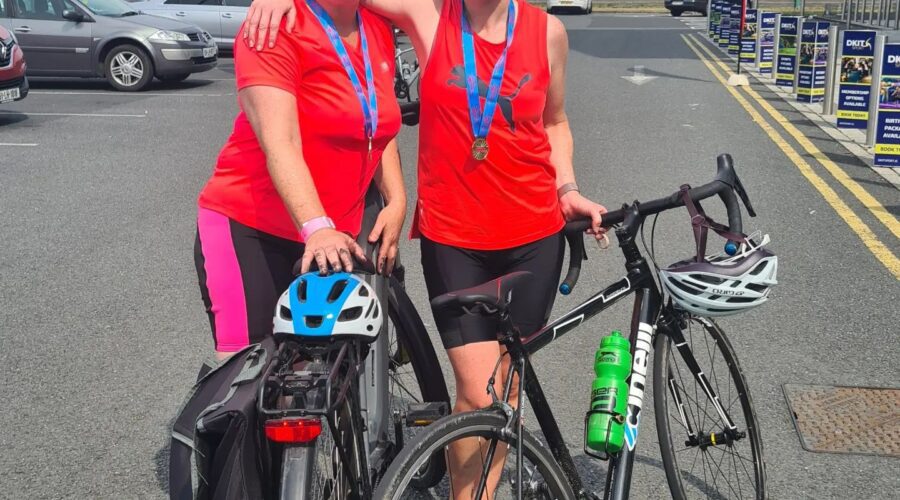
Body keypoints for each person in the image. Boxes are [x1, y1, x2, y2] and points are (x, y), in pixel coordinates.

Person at [245, 0, 607, 496]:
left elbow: (555, 122)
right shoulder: (429, 13)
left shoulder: (548, 32)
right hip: (455, 239)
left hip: (535, 239)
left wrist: (567, 188)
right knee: (478, 392)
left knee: (506, 391)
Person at [194, 0, 405, 359]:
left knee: (330, 377)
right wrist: (317, 227)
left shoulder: (377, 26)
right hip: (253, 227)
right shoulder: (274, 25)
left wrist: (397, 198)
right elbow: (281, 141)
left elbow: (373, 122)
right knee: (249, 375)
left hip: (335, 234)